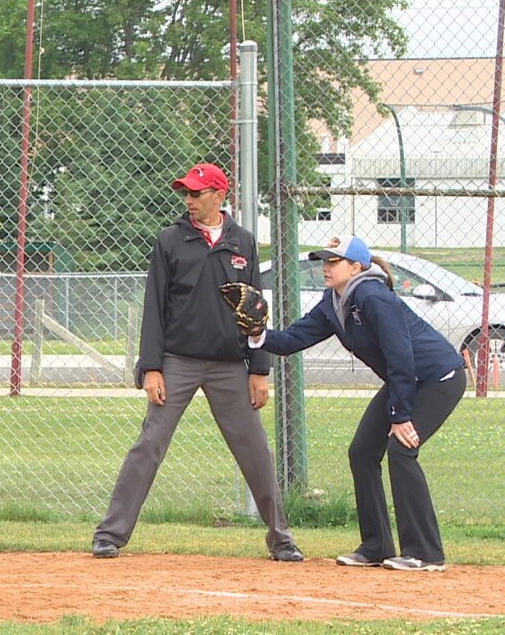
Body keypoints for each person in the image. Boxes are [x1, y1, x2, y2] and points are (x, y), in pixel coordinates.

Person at [92, 163, 304, 562]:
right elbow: (154, 306)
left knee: (255, 448)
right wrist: (151, 366)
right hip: (178, 361)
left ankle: (281, 538)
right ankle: (110, 534)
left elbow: (256, 309)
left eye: (196, 192)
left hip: (229, 364)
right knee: (150, 443)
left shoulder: (242, 242)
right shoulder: (171, 240)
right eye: (186, 193)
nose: (189, 199)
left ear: (218, 196)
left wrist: (259, 369)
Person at [248, 236, 466, 572]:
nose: (326, 267)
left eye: (334, 261)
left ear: (356, 266)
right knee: (362, 452)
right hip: (405, 380)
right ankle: (377, 545)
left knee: (401, 449)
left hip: (438, 378)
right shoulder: (334, 301)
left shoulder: (373, 296)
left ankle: (425, 552)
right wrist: (257, 332)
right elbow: (293, 339)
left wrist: (400, 415)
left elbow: (401, 355)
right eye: (324, 261)